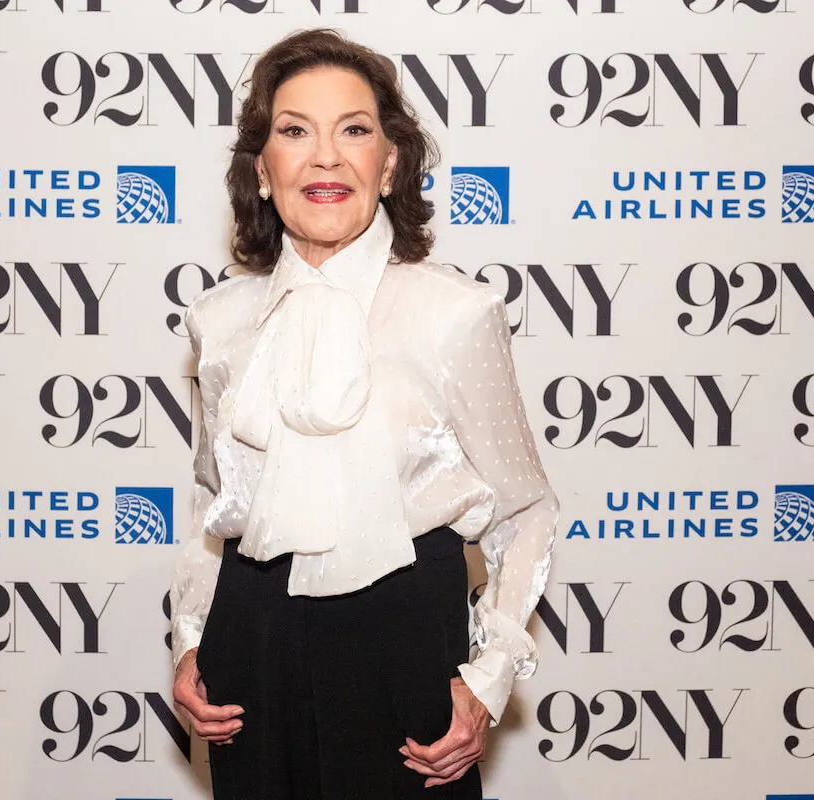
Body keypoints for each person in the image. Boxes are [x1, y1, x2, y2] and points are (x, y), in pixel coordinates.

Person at [168, 27, 560, 800]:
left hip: (404, 643)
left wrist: (487, 678)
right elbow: (215, 505)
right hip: (249, 650)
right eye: (293, 132)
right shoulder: (218, 320)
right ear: (262, 170)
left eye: (354, 130)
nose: (324, 157)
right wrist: (190, 639)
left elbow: (529, 508)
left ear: (388, 166)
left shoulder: (456, 312)